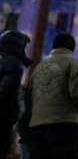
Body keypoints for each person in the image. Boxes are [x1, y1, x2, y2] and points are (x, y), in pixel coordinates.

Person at [25, 33, 78, 159]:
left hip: (37, 128)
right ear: (71, 48)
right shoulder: (75, 64)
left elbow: (28, 98)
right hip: (65, 127)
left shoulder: (38, 68)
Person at [0, 31, 32, 159]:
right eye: (26, 47)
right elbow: (5, 94)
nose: (26, 51)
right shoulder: (15, 64)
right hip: (2, 118)